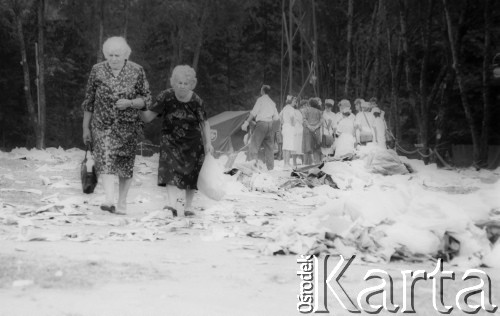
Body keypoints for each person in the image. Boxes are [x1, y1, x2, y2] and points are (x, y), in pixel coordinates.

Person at [82, 36, 151, 215]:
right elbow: (89, 101)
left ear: (125, 55)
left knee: (124, 166)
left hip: (128, 126)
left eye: (117, 55)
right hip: (102, 125)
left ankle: (122, 203)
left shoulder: (137, 71)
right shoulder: (96, 70)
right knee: (105, 159)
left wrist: (129, 103)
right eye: (110, 55)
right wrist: (85, 127)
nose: (113, 59)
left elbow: (147, 99)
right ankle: (109, 200)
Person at [140, 65, 214, 217]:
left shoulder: (196, 100)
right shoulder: (165, 96)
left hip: (192, 142)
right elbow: (148, 117)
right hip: (170, 140)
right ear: (173, 82)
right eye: (179, 82)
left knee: (191, 175)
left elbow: (204, 122)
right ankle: (172, 205)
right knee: (169, 170)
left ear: (191, 84)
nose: (182, 86)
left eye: (186, 83)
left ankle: (188, 207)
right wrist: (139, 106)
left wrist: (208, 143)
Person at [241, 85, 279, 170]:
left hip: (262, 124)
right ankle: (270, 168)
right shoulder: (272, 103)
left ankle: (253, 166)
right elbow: (276, 118)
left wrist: (246, 122)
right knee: (269, 148)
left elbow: (253, 113)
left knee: (253, 146)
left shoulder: (260, 100)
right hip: (270, 124)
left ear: (262, 91)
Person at [302, 98, 324, 164]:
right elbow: (321, 121)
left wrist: (309, 126)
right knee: (316, 148)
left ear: (309, 104)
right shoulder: (320, 112)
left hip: (307, 131)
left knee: (307, 148)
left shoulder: (305, 110)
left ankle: (306, 164)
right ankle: (317, 164)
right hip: (316, 131)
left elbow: (304, 120)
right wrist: (315, 127)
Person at [280, 95, 296, 169]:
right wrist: (293, 125)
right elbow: (292, 118)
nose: (295, 103)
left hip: (285, 126)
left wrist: (283, 122)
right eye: (294, 101)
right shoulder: (291, 109)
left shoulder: (284, 108)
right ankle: (286, 163)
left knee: (286, 145)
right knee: (288, 145)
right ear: (291, 101)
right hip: (289, 127)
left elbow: (279, 117)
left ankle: (286, 163)